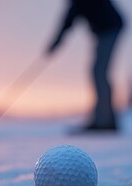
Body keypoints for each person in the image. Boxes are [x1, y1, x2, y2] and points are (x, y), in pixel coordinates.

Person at [47, 0, 124, 133]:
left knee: (99, 73)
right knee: (99, 73)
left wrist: (56, 43)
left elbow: (68, 20)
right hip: (105, 30)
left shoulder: (78, 2)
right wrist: (56, 43)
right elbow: (69, 19)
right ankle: (106, 120)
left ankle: (104, 122)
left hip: (110, 28)